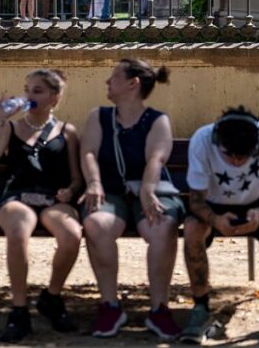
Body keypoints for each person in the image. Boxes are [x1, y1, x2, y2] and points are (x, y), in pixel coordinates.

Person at [78, 58, 185, 340]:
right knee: (97, 224)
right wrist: (94, 182)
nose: (107, 82)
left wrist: (148, 191)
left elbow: (156, 158)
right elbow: (88, 152)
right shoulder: (98, 117)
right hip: (109, 191)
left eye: (113, 77)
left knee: (162, 225)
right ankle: (110, 305)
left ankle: (159, 308)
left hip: (151, 188)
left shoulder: (157, 120)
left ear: (132, 84)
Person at [181, 107, 259, 343]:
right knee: (193, 228)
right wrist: (215, 220)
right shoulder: (203, 140)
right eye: (230, 156)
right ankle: (201, 308)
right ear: (218, 142)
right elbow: (195, 200)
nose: (237, 162)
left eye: (244, 156)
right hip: (214, 205)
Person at [0, 69, 83, 343]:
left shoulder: (67, 132)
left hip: (52, 200)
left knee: (72, 235)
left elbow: (76, 177)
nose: (29, 96)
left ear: (54, 97)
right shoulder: (12, 127)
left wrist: (70, 190)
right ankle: (19, 309)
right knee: (18, 228)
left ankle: (52, 296)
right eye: (27, 89)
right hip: (17, 197)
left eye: (36, 91)